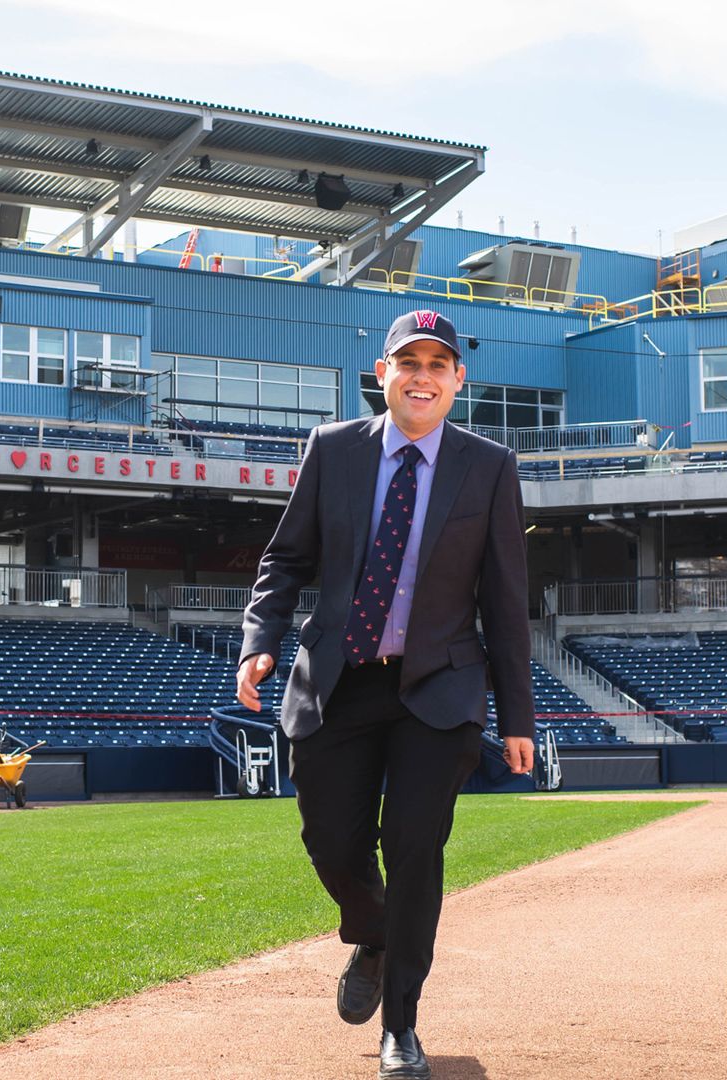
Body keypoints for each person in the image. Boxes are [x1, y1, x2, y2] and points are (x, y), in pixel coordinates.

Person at [236, 308, 534, 1080]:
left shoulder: (489, 465)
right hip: (340, 681)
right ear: (383, 374)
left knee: (414, 848)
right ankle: (371, 930)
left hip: (440, 689)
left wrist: (517, 717)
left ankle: (400, 1026)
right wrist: (259, 642)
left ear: (458, 380)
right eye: (410, 363)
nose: (423, 377)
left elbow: (505, 600)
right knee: (331, 840)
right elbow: (284, 561)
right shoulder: (332, 450)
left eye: (439, 365)